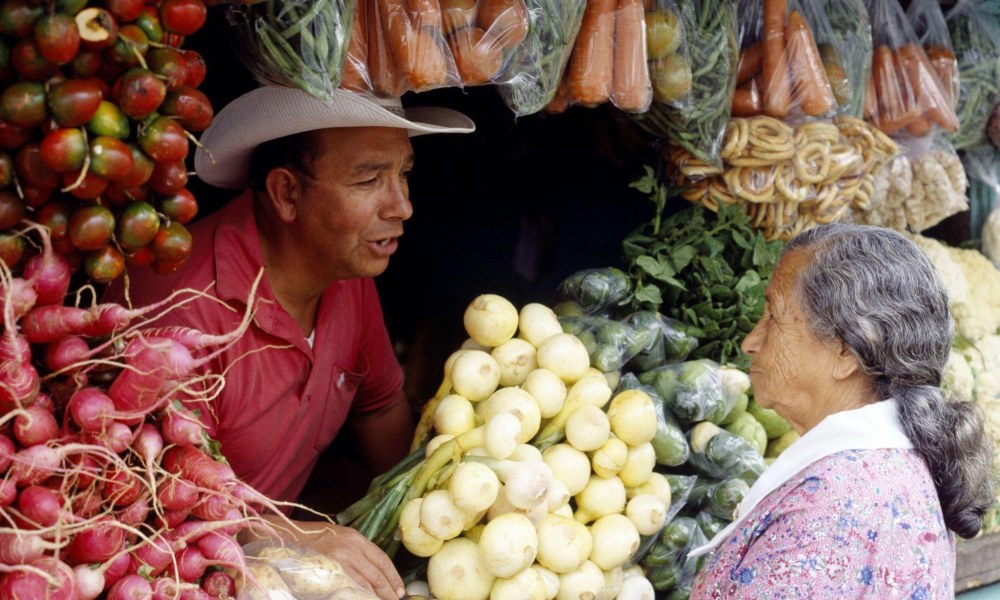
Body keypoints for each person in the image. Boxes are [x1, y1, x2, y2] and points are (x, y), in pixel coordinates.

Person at [105, 85, 475, 599]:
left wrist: (420, 514)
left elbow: (379, 404)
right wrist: (299, 536)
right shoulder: (179, 314)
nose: (403, 206)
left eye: (403, 173)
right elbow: (159, 508)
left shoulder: (347, 273)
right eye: (369, 178)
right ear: (286, 193)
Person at [688, 223, 995, 598]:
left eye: (774, 317)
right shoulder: (884, 472)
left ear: (846, 351)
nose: (750, 341)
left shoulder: (826, 512)